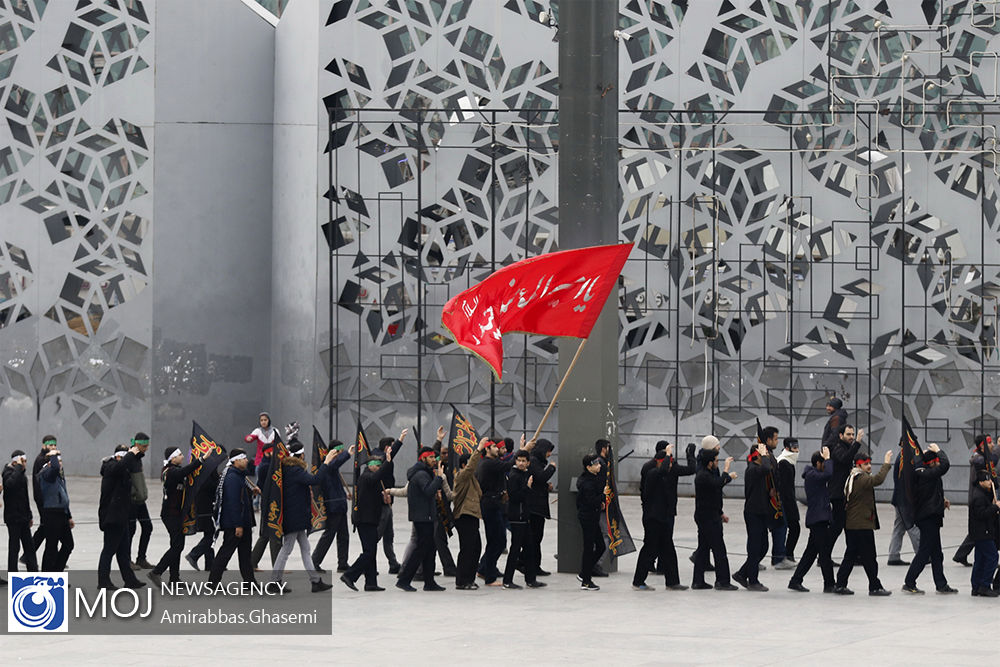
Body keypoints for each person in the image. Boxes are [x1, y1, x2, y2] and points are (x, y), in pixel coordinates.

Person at [269, 426, 334, 593]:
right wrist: (326, 462)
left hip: (296, 515)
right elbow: (315, 479)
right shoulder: (295, 470)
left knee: (305, 548)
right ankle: (274, 581)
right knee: (287, 549)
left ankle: (315, 580)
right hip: (295, 517)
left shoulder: (288, 469)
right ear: (301, 455)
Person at [632, 442, 696, 591]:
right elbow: (662, 471)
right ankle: (638, 581)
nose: (671, 466)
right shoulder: (652, 472)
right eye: (668, 462)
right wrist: (668, 454)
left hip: (664, 516)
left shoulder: (666, 470)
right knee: (649, 549)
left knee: (668, 549)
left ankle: (672, 582)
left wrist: (689, 455)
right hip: (653, 517)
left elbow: (690, 469)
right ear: (660, 462)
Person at [833, 450, 893, 596]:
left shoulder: (853, 476)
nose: (869, 466)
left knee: (851, 555)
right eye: (866, 464)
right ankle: (874, 586)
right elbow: (877, 480)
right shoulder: (860, 478)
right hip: (861, 524)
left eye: (869, 463)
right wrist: (886, 463)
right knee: (869, 557)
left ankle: (840, 584)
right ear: (859, 465)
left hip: (854, 523)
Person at [902, 444, 956, 594]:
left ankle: (941, 584)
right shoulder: (925, 474)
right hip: (928, 518)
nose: (939, 462)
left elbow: (932, 492)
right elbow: (946, 465)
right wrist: (938, 450)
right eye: (936, 460)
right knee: (925, 551)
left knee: (937, 553)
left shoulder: (928, 474)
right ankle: (909, 581)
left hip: (931, 515)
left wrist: (941, 500)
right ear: (932, 462)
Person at [340, 449, 395, 592]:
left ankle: (371, 582)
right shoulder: (366, 477)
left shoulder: (374, 478)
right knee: (369, 551)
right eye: (377, 465)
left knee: (371, 550)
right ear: (370, 465)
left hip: (371, 519)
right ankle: (350, 575)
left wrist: (384, 498)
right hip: (364, 520)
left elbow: (378, 490)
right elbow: (376, 477)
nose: (378, 468)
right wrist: (387, 463)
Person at [148, 447, 203, 585]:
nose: (182, 457)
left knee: (176, 545)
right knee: (178, 546)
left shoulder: (175, 470)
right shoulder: (170, 472)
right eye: (180, 455)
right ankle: (156, 572)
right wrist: (201, 460)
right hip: (170, 514)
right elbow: (183, 472)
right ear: (172, 458)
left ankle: (174, 578)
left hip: (177, 513)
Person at [396, 446, 446, 592]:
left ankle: (429, 582)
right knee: (421, 549)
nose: (433, 460)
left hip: (426, 516)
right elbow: (428, 491)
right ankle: (404, 579)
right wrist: (439, 478)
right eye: (430, 457)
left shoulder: (424, 472)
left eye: (434, 457)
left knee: (430, 549)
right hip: (423, 517)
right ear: (423, 458)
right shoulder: (420, 475)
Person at [97, 444, 146, 590]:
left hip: (121, 516)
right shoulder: (110, 467)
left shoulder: (123, 468)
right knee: (109, 550)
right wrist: (130, 454)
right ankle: (103, 581)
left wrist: (136, 454)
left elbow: (132, 464)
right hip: (112, 517)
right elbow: (119, 467)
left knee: (123, 551)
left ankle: (130, 579)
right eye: (124, 457)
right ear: (117, 456)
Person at [788, 447, 835, 593]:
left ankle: (796, 580)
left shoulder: (813, 475)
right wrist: (828, 458)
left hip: (819, 518)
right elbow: (829, 474)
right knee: (825, 553)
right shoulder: (813, 475)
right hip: (818, 519)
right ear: (818, 463)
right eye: (823, 463)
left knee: (810, 553)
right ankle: (829, 584)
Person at [208, 449, 258, 585]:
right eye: (243, 458)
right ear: (235, 461)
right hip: (235, 524)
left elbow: (242, 496)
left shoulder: (239, 476)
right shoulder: (232, 478)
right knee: (226, 553)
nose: (246, 460)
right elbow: (233, 503)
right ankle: (213, 582)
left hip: (244, 522)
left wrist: (251, 490)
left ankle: (249, 582)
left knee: (245, 554)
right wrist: (238, 525)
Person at [691, 444, 737, 591]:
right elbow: (717, 484)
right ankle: (722, 581)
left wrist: (720, 512)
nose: (718, 463)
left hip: (710, 514)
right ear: (710, 462)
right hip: (707, 518)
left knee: (703, 549)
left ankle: (698, 581)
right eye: (716, 461)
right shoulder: (703, 475)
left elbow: (716, 489)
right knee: (719, 550)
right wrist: (726, 470)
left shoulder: (708, 474)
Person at [734, 441, 772, 591]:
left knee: (763, 547)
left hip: (762, 511)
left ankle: (742, 573)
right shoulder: (752, 469)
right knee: (755, 548)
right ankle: (753, 580)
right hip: (753, 512)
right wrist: (764, 455)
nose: (767, 456)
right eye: (764, 454)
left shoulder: (758, 469)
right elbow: (767, 468)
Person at [502, 449, 543, 589]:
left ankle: (530, 579)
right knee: (515, 549)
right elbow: (515, 497)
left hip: (524, 517)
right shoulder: (514, 476)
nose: (520, 463)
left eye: (523, 461)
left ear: (528, 463)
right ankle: (507, 580)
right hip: (516, 517)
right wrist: (527, 488)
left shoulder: (525, 474)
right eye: (518, 460)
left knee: (529, 549)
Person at [311, 439, 353, 574]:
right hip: (333, 506)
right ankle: (314, 561)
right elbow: (336, 462)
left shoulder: (333, 467)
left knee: (344, 536)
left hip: (340, 504)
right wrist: (348, 454)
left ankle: (343, 563)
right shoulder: (328, 464)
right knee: (329, 535)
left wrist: (344, 494)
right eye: (339, 450)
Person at [953, 435, 996, 566]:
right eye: (990, 443)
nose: (992, 445)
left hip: (981, 498)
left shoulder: (983, 458)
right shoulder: (980, 460)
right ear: (983, 446)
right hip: (978, 499)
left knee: (980, 529)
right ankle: (964, 554)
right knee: (979, 529)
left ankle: (963, 554)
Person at [476, 436, 514, 585]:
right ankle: (489, 575)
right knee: (496, 541)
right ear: (487, 449)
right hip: (490, 505)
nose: (498, 449)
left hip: (495, 504)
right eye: (495, 447)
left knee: (498, 540)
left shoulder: (491, 462)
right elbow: (508, 465)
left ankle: (485, 568)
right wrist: (524, 450)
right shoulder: (487, 464)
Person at [248, 412, 281, 568]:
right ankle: (277, 567)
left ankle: (252, 562)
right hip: (270, 504)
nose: (263, 422)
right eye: (261, 419)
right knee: (273, 536)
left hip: (269, 503)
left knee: (266, 535)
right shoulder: (266, 467)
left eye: (265, 419)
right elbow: (250, 437)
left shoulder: (275, 431)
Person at [452, 437, 486, 589]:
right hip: (464, 516)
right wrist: (478, 449)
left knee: (476, 548)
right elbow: (471, 466)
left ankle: (469, 579)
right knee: (467, 549)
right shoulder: (461, 477)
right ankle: (462, 581)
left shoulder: (472, 479)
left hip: (473, 516)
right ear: (464, 465)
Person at [760, 427, 793, 570]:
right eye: (775, 439)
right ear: (768, 440)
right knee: (773, 528)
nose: (777, 441)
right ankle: (775, 558)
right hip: (766, 501)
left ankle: (778, 557)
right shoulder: (763, 456)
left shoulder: (770, 455)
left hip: (774, 498)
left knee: (780, 526)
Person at [829, 424, 864, 554]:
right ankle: (824, 554)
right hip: (838, 494)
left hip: (845, 494)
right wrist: (858, 442)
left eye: (852, 434)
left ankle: (853, 554)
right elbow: (845, 458)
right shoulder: (838, 448)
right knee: (837, 526)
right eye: (848, 434)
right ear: (840, 435)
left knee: (849, 525)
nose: (851, 437)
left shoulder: (846, 447)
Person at [376, 429, 408, 575]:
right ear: (387, 447)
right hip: (381, 501)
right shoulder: (380, 458)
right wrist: (401, 439)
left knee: (389, 534)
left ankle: (393, 563)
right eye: (392, 446)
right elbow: (391, 453)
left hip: (388, 501)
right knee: (376, 535)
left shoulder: (382, 456)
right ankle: (365, 561)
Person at [38, 446, 73, 571]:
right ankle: (47, 575)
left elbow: (64, 496)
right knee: (51, 547)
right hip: (51, 513)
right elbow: (55, 467)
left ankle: (56, 572)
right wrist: (52, 455)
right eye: (58, 461)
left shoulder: (58, 475)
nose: (60, 464)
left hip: (61, 513)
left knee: (69, 544)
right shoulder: (47, 473)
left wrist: (69, 516)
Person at [887, 437, 921, 566]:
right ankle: (921, 553)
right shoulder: (905, 459)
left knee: (899, 527)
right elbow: (905, 482)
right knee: (911, 525)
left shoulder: (903, 457)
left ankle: (893, 555)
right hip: (904, 500)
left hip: (900, 499)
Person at [576, 454, 608, 591]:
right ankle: (586, 581)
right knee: (589, 549)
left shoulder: (592, 478)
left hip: (592, 516)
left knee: (600, 546)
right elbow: (590, 501)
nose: (599, 466)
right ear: (588, 467)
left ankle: (585, 572)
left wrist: (599, 502)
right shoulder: (586, 482)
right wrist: (603, 495)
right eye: (596, 464)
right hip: (588, 518)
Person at [526, 439, 556, 579]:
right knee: (533, 538)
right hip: (534, 507)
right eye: (548, 451)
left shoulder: (537, 461)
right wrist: (552, 468)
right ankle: (527, 563)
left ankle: (535, 565)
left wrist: (546, 486)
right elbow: (540, 476)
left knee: (537, 537)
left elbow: (539, 482)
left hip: (538, 507)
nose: (549, 454)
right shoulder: (533, 461)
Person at [3, 450, 37, 572]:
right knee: (14, 547)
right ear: (15, 461)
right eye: (22, 461)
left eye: (25, 461)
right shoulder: (7, 472)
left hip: (23, 516)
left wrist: (30, 515)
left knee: (29, 546)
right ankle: (13, 572)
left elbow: (25, 497)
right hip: (13, 518)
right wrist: (18, 467)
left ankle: (33, 571)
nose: (24, 464)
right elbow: (10, 484)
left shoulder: (21, 474)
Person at [967, 470, 1000, 597]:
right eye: (987, 480)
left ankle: (976, 586)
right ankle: (984, 585)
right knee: (992, 557)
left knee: (980, 559)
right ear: (981, 482)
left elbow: (995, 485)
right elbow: (981, 514)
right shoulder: (979, 497)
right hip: (983, 532)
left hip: (980, 532)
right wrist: (995, 507)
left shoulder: (983, 492)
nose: (990, 482)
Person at [185, 463, 220, 573]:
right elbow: (207, 485)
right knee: (211, 533)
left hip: (205, 505)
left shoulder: (208, 468)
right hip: (205, 506)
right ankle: (194, 554)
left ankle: (210, 563)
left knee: (209, 532)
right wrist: (217, 482)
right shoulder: (206, 469)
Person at [29, 435, 59, 561]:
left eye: (54, 445)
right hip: (44, 499)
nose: (53, 447)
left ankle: (28, 554)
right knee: (50, 528)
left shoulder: (48, 458)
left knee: (46, 527)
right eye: (50, 445)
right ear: (44, 445)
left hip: (48, 499)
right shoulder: (42, 460)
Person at [126, 434, 154, 569]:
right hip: (131, 501)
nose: (146, 448)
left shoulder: (138, 459)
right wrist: (133, 492)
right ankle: (126, 560)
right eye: (144, 446)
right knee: (130, 530)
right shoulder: (130, 458)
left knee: (148, 527)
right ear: (136, 445)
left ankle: (141, 558)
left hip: (140, 500)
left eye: (147, 445)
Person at [777, 438, 801, 562]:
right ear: (787, 448)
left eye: (797, 447)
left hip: (789, 499)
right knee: (793, 528)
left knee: (793, 528)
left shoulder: (788, 461)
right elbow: (784, 486)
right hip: (786, 501)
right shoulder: (784, 462)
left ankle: (787, 554)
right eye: (794, 447)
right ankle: (786, 555)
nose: (797, 450)